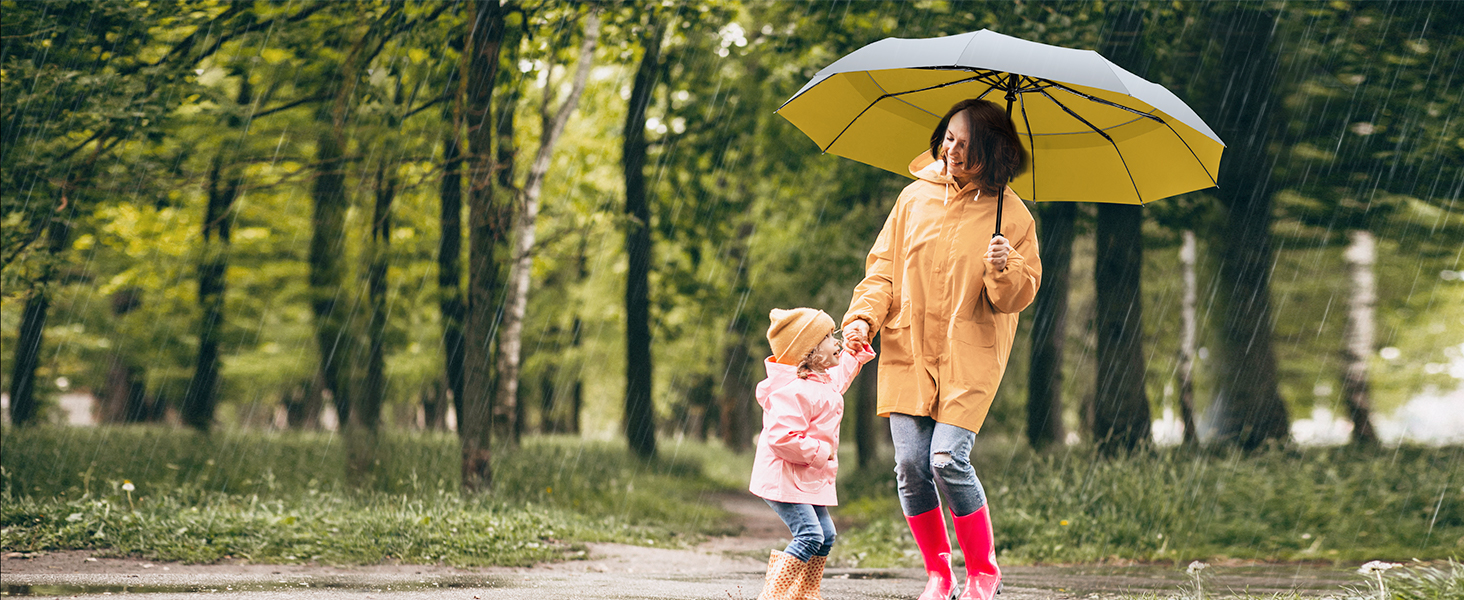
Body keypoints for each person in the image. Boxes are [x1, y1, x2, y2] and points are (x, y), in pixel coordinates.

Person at [841, 99, 1041, 600]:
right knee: (910, 466)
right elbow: (883, 270)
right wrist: (863, 317)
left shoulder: (1012, 215)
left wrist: (1006, 265)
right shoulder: (913, 198)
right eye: (948, 138)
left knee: (947, 459)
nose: (951, 150)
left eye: (966, 145)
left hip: (968, 353)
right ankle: (939, 573)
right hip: (909, 347)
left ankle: (983, 572)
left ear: (993, 151)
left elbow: (1016, 297)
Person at [750, 308, 876, 600]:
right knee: (810, 535)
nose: (838, 342)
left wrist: (855, 353)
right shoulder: (793, 391)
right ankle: (773, 596)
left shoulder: (823, 380)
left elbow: (841, 375)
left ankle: (805, 593)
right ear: (810, 352)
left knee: (826, 536)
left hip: (804, 477)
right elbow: (781, 437)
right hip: (783, 477)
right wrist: (821, 450)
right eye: (829, 337)